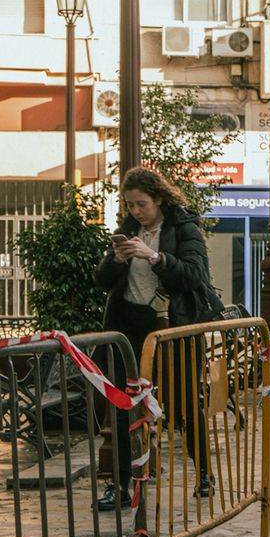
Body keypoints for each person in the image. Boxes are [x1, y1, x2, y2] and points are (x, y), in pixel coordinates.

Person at [92, 167, 217, 510]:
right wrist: (116, 260)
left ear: (159, 198)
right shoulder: (127, 231)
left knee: (185, 403)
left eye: (141, 204)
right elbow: (102, 281)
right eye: (130, 205)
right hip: (127, 327)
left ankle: (204, 475)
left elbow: (195, 276)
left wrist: (156, 257)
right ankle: (119, 486)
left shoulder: (183, 228)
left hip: (171, 327)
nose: (135, 211)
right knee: (120, 406)